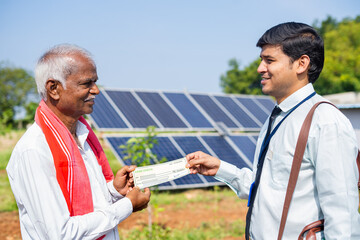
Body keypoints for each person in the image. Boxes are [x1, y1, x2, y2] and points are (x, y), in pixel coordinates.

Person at [186, 22, 360, 239]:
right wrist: (221, 169)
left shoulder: (325, 121)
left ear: (301, 64)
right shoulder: (277, 116)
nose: (260, 68)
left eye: (269, 60)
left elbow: (343, 214)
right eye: (261, 60)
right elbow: (268, 189)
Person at [6, 44, 151, 239]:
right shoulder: (34, 150)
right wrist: (127, 205)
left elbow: (87, 203)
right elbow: (60, 234)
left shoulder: (84, 137)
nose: (96, 90)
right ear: (54, 89)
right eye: (86, 84)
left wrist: (114, 191)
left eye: (95, 82)